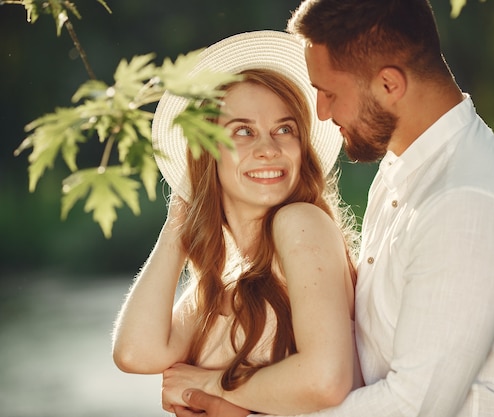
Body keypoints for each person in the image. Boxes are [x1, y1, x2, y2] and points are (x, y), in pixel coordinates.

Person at [176, 1, 494, 416]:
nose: (321, 112)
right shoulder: (405, 170)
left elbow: (414, 405)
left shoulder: (468, 203)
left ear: (389, 85)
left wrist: (232, 400)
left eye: (330, 92)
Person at [111, 30, 363, 417]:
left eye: (285, 129)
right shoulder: (224, 280)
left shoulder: (300, 222)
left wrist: (211, 387)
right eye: (243, 131)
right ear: (207, 153)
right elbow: (135, 352)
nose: (269, 149)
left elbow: (325, 380)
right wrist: (178, 226)